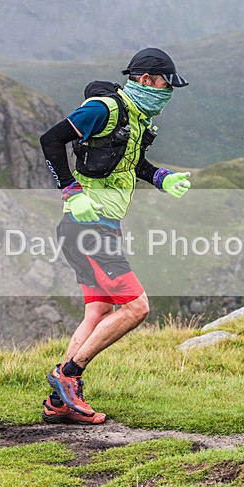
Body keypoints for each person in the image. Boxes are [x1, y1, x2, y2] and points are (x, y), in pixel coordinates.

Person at [39, 48, 191, 424]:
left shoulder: (137, 120)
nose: (168, 93)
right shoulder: (104, 109)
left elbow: (130, 161)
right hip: (85, 226)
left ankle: (59, 402)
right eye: (165, 85)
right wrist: (72, 193)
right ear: (145, 81)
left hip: (102, 226)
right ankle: (68, 376)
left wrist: (160, 177)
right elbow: (50, 140)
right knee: (137, 308)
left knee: (99, 311)